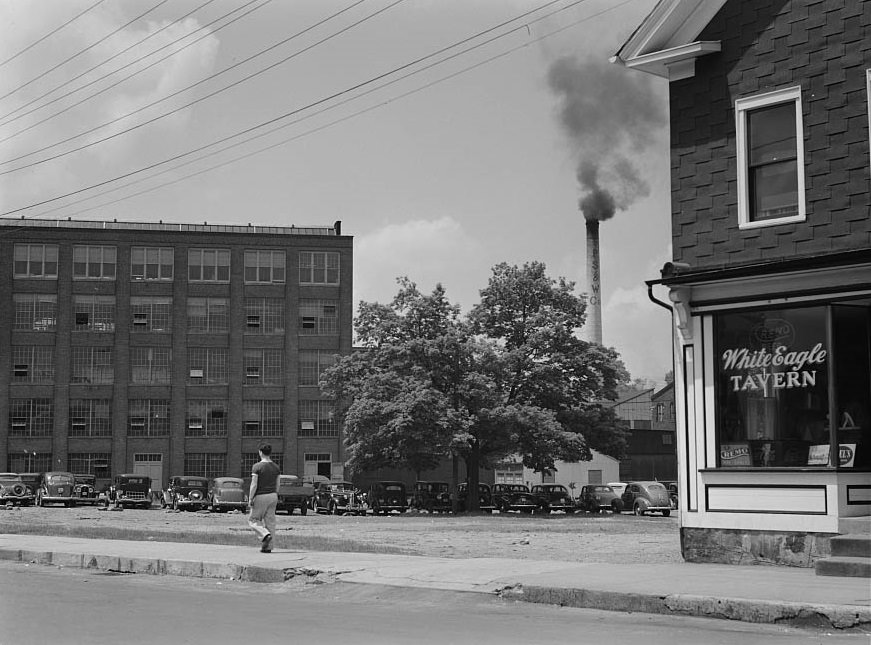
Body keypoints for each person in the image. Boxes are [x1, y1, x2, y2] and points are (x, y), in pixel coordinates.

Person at [248, 442, 280, 553]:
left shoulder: (257, 467)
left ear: (260, 452)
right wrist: (276, 494)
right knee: (270, 522)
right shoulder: (276, 467)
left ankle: (265, 535)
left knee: (254, 520)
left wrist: (251, 498)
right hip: (273, 495)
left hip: (261, 495)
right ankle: (268, 547)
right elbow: (278, 484)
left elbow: (254, 484)